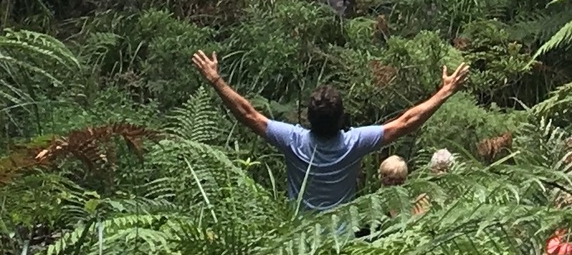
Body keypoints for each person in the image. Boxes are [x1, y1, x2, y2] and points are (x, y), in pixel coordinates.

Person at [191, 50, 470, 211]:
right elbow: (406, 122)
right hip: (342, 240)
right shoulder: (355, 142)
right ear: (342, 119)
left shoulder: (293, 140)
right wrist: (445, 91)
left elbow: (248, 114)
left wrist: (216, 80)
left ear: (308, 118)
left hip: (299, 240)